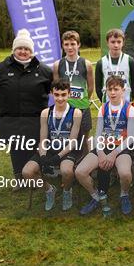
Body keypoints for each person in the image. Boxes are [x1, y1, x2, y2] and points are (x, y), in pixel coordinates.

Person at [0, 29, 52, 190]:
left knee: (33, 147)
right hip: (11, 118)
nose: (23, 52)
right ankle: (19, 178)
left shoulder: (44, 70)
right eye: (20, 48)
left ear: (32, 51)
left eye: (27, 49)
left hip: (35, 119)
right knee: (16, 148)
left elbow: (50, 88)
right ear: (14, 49)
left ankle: (34, 176)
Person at [76, 76, 134, 216]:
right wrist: (101, 153)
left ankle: (124, 194)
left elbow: (131, 137)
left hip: (121, 148)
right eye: (110, 89)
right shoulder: (103, 108)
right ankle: (97, 196)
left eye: (116, 89)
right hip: (103, 147)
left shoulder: (129, 109)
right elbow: (97, 135)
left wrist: (114, 154)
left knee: (125, 174)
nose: (113, 92)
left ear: (123, 90)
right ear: (106, 91)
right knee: (80, 172)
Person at [21, 79, 82, 211]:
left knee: (67, 171)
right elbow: (42, 139)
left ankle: (66, 191)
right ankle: (49, 189)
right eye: (57, 95)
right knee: (26, 172)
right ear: (52, 94)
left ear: (69, 94)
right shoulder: (45, 113)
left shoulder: (76, 112)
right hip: (49, 149)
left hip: (66, 150)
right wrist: (43, 157)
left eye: (63, 95)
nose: (60, 98)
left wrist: (58, 157)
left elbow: (72, 141)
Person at [53, 31, 94, 152]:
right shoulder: (57, 65)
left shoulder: (87, 64)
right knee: (65, 138)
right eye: (66, 44)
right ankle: (67, 162)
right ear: (62, 46)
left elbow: (90, 86)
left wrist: (85, 99)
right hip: (65, 108)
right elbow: (56, 87)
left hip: (82, 107)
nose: (70, 47)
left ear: (78, 45)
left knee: (84, 139)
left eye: (73, 44)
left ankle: (86, 165)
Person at [95, 29, 134, 103]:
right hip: (108, 101)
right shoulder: (101, 62)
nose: (116, 45)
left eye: (119, 42)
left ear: (123, 43)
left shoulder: (130, 60)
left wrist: (130, 97)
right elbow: (98, 87)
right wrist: (103, 99)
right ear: (107, 43)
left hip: (126, 100)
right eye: (112, 42)